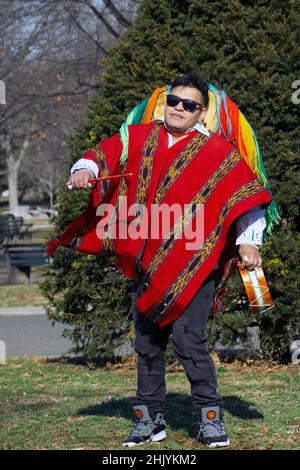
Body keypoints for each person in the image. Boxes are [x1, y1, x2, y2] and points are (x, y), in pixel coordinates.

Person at [49, 72, 272, 448]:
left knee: (190, 343)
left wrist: (250, 242)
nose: (179, 109)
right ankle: (149, 421)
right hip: (146, 262)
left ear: (202, 113)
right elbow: (99, 155)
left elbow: (246, 196)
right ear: (164, 102)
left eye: (189, 105)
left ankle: (210, 420)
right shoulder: (137, 138)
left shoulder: (218, 152)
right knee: (147, 346)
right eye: (173, 101)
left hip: (195, 265)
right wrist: (85, 171)